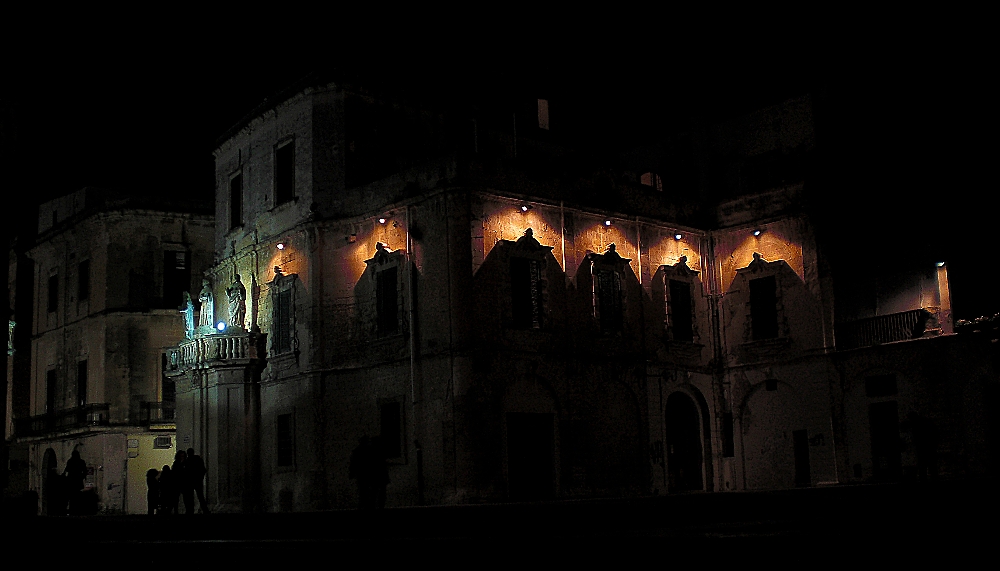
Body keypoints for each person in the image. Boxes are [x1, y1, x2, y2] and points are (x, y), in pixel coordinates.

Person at [186, 448, 210, 513]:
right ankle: (205, 510)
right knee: (200, 496)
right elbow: (203, 470)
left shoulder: (188, 461)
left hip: (191, 481)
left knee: (192, 497)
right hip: (196, 481)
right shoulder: (197, 459)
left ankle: (190, 511)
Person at [64, 450, 86, 514]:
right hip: (78, 482)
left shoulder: (70, 461)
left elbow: (67, 470)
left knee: (71, 496)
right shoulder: (81, 462)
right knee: (77, 496)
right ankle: (77, 509)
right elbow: (85, 471)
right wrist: (82, 476)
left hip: (71, 482)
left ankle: (72, 509)